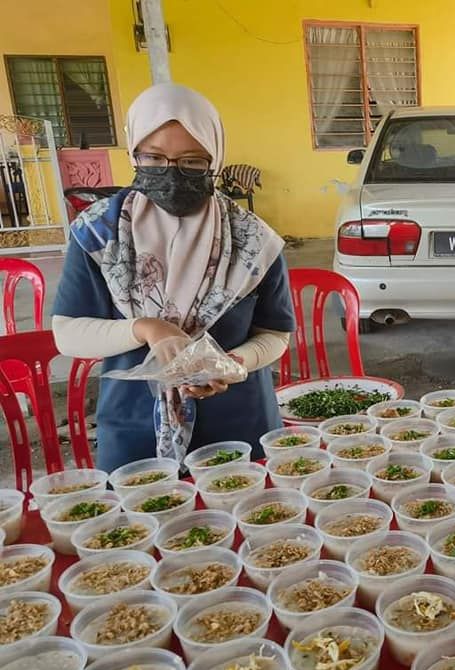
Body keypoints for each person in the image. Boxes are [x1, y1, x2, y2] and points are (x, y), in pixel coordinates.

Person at [52, 83, 295, 471]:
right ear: (134, 153)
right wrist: (148, 329)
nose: (171, 174)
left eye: (193, 161)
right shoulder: (100, 236)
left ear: (215, 158)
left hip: (238, 424)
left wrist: (235, 363)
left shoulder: (253, 242)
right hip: (135, 432)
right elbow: (68, 334)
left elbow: (275, 334)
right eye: (154, 158)